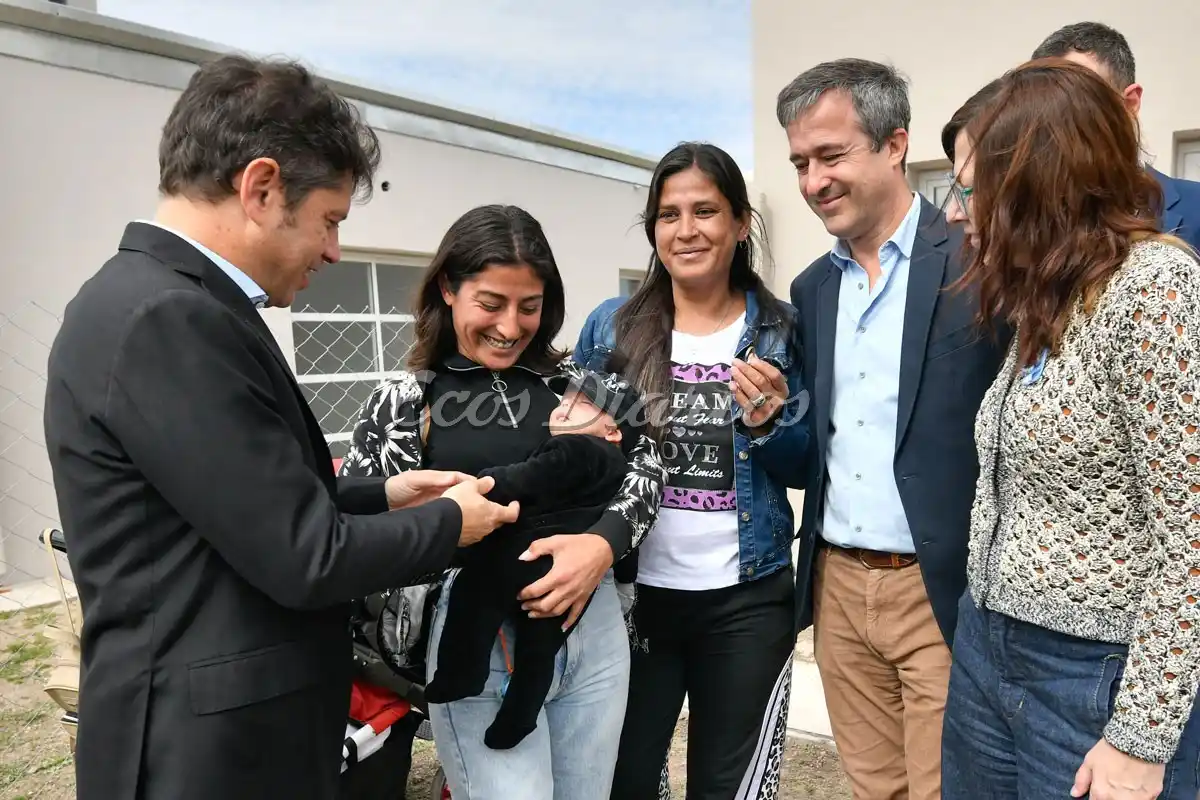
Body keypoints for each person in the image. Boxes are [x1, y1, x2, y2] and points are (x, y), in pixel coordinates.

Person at [42, 55, 517, 800]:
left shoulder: (171, 303)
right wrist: (452, 523)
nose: (333, 250)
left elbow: (244, 506)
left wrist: (386, 495)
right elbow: (306, 557)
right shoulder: (168, 319)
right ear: (261, 188)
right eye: (329, 220)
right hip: (205, 755)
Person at [338, 203, 666, 799]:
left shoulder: (578, 382)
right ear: (448, 287)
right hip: (477, 641)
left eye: (530, 307)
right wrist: (436, 524)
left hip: (592, 636)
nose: (511, 327)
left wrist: (600, 544)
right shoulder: (407, 399)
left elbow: (650, 469)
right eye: (490, 304)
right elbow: (356, 531)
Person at [939, 58, 1200, 800]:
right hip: (988, 647)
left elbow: (1192, 530)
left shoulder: (1154, 288)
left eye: (967, 188)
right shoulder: (1044, 300)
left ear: (1036, 179)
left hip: (1092, 678)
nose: (956, 211)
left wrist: (1142, 737)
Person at [776, 58, 1010, 800]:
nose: (813, 181)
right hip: (838, 588)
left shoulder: (981, 262)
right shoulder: (811, 288)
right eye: (800, 163)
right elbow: (814, 447)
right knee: (875, 788)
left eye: (830, 155)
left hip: (940, 589)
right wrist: (768, 421)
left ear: (895, 143)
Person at [575, 141, 809, 800]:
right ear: (653, 229)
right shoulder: (610, 327)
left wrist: (771, 423)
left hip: (747, 601)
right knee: (621, 779)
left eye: (705, 210)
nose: (687, 229)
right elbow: (576, 460)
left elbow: (807, 465)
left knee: (728, 786)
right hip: (633, 597)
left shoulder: (782, 332)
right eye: (669, 213)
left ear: (739, 223)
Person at [423, 361, 640, 750]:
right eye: (568, 396)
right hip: (574, 580)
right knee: (539, 650)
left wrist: (489, 483)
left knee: (474, 595)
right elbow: (625, 536)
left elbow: (533, 475)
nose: (567, 405)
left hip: (524, 554)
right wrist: (625, 579)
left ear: (612, 431)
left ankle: (462, 672)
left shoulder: (575, 447)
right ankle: (519, 716)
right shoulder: (622, 473)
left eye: (584, 404)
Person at [1031, 21, 1200, 252]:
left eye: (1078, 100)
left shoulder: (1196, 208)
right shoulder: (1026, 224)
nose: (1058, 122)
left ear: (1129, 103)